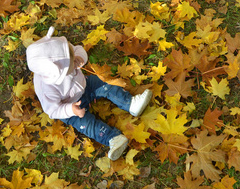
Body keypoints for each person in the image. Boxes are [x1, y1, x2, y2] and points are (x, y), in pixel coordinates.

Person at [26, 27, 152, 161]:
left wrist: (79, 57)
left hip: (85, 85)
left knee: (105, 84)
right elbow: (53, 110)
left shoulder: (62, 51)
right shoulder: (46, 87)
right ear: (58, 73)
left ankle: (131, 103)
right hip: (71, 108)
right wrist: (70, 109)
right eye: (71, 66)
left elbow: (78, 49)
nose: (74, 64)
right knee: (86, 124)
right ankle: (113, 138)